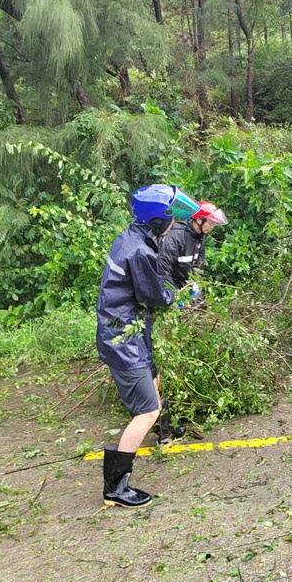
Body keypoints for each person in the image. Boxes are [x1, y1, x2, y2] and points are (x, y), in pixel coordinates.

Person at [96, 184, 199, 508]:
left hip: (131, 333)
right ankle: (116, 487)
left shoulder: (131, 238)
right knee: (146, 410)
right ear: (159, 222)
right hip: (124, 340)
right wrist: (179, 299)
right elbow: (155, 296)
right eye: (171, 220)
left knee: (153, 383)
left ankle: (165, 433)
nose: (174, 226)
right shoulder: (140, 251)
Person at [158, 201, 228, 298]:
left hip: (185, 285)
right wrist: (173, 296)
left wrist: (195, 288)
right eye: (210, 223)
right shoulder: (176, 235)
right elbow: (163, 269)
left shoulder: (199, 236)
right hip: (170, 284)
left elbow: (198, 266)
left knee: (201, 304)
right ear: (199, 220)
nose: (212, 227)